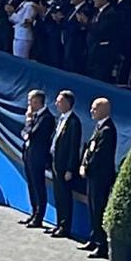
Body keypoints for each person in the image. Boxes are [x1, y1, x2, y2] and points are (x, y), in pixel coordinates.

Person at [80, 96, 117, 259]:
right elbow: (89, 148)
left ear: (103, 110)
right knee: (92, 208)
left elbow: (100, 154)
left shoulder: (108, 130)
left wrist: (88, 167)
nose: (91, 111)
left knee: (99, 208)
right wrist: (83, 163)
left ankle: (102, 245)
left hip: (100, 176)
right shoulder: (99, 127)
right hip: (92, 175)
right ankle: (94, 238)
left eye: (95, 109)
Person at [49, 89, 82, 239]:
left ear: (68, 103)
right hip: (56, 162)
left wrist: (70, 168)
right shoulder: (61, 119)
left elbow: (74, 147)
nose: (56, 104)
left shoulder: (74, 122)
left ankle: (65, 226)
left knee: (65, 196)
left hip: (65, 166)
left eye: (60, 101)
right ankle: (58, 223)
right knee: (58, 195)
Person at [21, 89, 55, 229]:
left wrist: (28, 121)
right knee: (31, 185)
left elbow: (32, 133)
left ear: (39, 102)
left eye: (32, 101)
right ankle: (33, 211)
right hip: (29, 154)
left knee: (38, 185)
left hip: (38, 157)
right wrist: (27, 129)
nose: (30, 104)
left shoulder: (46, 118)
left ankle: (39, 216)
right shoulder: (34, 116)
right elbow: (24, 132)